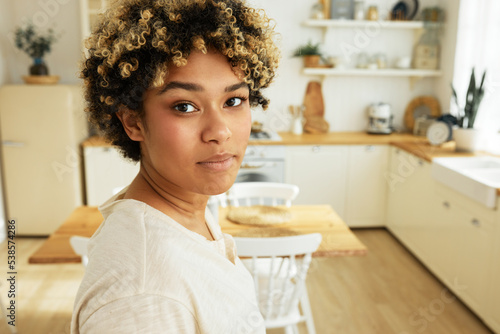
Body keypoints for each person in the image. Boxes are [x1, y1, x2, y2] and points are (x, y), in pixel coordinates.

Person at [70, 0, 280, 333]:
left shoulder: (186, 208)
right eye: (184, 106)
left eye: (233, 101)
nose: (220, 131)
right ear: (133, 122)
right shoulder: (142, 297)